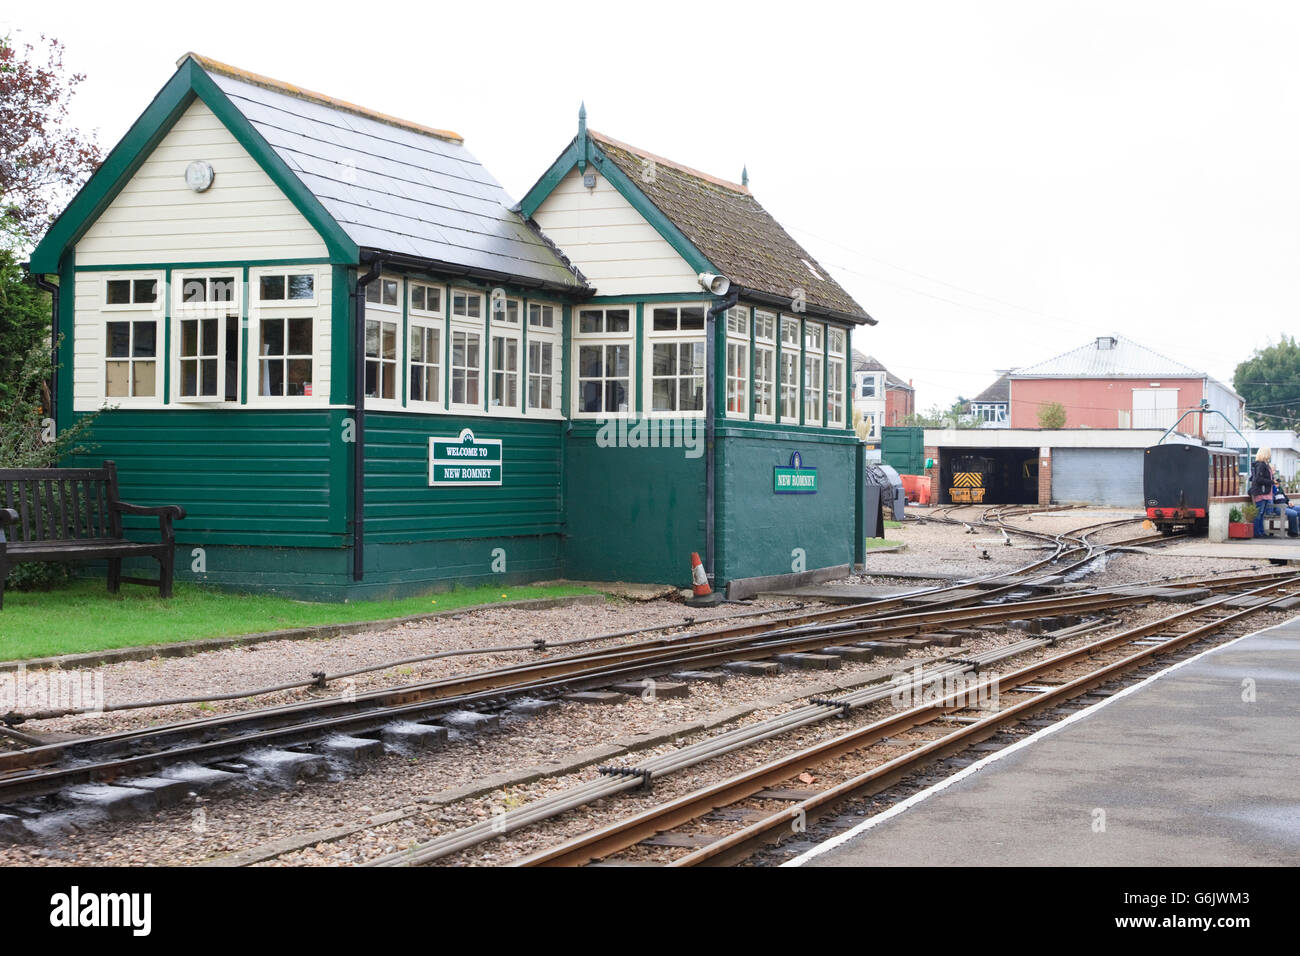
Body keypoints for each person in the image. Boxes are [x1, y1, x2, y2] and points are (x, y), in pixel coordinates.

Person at [1248, 448, 1276, 537]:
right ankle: (1257, 533)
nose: (1270, 455)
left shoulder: (1264, 465)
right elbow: (1258, 479)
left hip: (1264, 493)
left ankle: (1261, 532)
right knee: (1259, 514)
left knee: (1261, 514)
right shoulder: (1261, 465)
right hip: (1261, 493)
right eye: (1269, 453)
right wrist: (1272, 482)